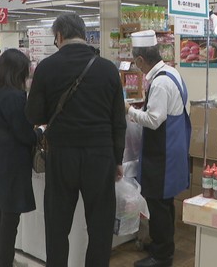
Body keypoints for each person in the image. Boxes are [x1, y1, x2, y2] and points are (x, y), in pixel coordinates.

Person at [26, 14, 126, 266]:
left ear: (59, 36)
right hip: (101, 154)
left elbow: (34, 115)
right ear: (83, 33)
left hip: (62, 153)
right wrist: (118, 158)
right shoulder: (108, 69)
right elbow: (118, 120)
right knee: (100, 225)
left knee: (58, 225)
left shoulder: (47, 67)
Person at [125, 30, 191, 267]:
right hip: (171, 148)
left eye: (136, 63)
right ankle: (163, 245)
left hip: (162, 152)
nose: (137, 67)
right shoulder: (172, 73)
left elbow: (154, 120)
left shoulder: (161, 82)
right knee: (164, 202)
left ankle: (162, 256)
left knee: (158, 203)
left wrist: (129, 111)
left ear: (141, 60)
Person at [0, 49, 39, 267]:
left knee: (1, 210)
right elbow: (24, 133)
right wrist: (39, 133)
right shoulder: (14, 96)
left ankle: (3, 258)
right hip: (12, 163)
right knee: (11, 216)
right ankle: (4, 262)